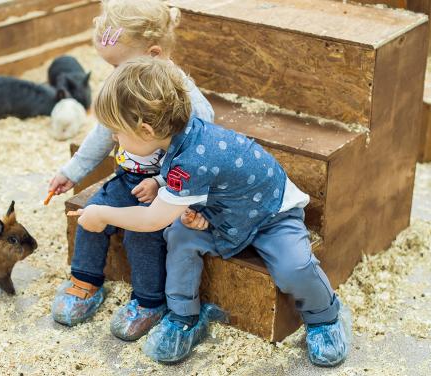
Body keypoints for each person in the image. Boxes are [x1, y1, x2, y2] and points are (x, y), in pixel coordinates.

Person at [77, 57, 352, 366]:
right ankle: (184, 316)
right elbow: (189, 180)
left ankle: (325, 317)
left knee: (294, 268)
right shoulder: (181, 136)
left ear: (144, 129)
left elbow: (152, 218)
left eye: (116, 132)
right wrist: (163, 185)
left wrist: (102, 214)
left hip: (270, 214)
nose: (114, 138)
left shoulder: (191, 158)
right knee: (180, 238)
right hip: (221, 214)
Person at [49, 0, 214, 342]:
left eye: (116, 64)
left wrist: (159, 181)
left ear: (153, 54)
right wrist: (73, 171)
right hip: (127, 177)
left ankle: (148, 301)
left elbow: (198, 154)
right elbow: (103, 131)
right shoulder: (127, 81)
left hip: (169, 189)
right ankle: (85, 281)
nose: (113, 73)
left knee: (143, 235)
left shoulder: (190, 103)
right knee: (92, 214)